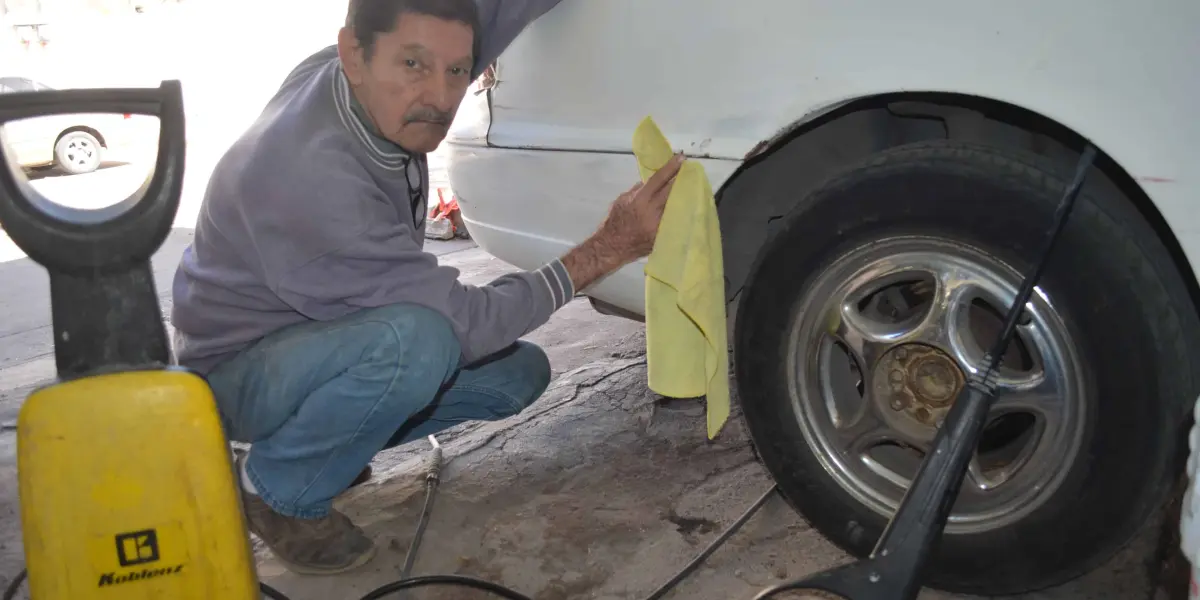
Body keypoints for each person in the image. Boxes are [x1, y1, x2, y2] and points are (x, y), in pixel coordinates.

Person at [169, 0, 685, 576]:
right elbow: (467, 324)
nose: (441, 97)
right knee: (420, 342)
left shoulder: (373, 72)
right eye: (414, 65)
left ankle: (325, 444)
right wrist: (608, 247)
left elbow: (493, 13)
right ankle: (275, 488)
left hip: (320, 334)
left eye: (457, 71)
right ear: (351, 55)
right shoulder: (313, 183)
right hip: (237, 373)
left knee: (518, 375)